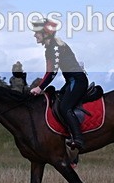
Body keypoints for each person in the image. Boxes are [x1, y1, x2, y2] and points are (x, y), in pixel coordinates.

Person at [30, 18, 88, 151]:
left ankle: (78, 138)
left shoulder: (54, 47)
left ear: (45, 33)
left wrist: (40, 87)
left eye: (37, 32)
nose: (34, 35)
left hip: (77, 81)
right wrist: (41, 86)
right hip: (72, 81)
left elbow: (52, 72)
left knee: (64, 107)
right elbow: (48, 72)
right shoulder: (52, 46)